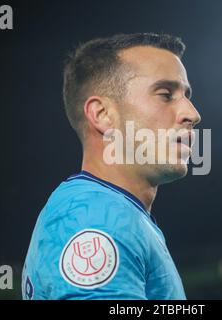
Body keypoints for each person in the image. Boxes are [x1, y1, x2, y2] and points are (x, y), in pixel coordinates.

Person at [22, 33, 201, 299]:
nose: (193, 114)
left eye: (186, 95)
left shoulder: (113, 211)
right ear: (102, 115)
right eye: (166, 95)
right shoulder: (95, 218)